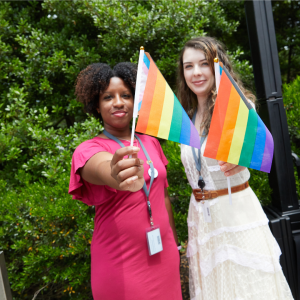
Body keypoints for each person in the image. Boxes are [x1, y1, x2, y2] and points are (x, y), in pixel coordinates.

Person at [177, 36, 294, 300]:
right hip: (201, 218)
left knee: (248, 288)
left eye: (203, 64)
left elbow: (263, 147)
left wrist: (244, 155)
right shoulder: (188, 114)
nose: (196, 72)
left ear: (217, 65)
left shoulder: (238, 107)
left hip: (236, 214)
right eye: (188, 66)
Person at [68, 62, 182, 300]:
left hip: (164, 254)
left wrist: (175, 244)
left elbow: (162, 195)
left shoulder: (150, 142)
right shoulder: (89, 149)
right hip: (121, 262)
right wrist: (116, 173)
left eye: (126, 96)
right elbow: (102, 167)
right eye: (108, 97)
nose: (118, 102)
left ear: (135, 102)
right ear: (97, 107)